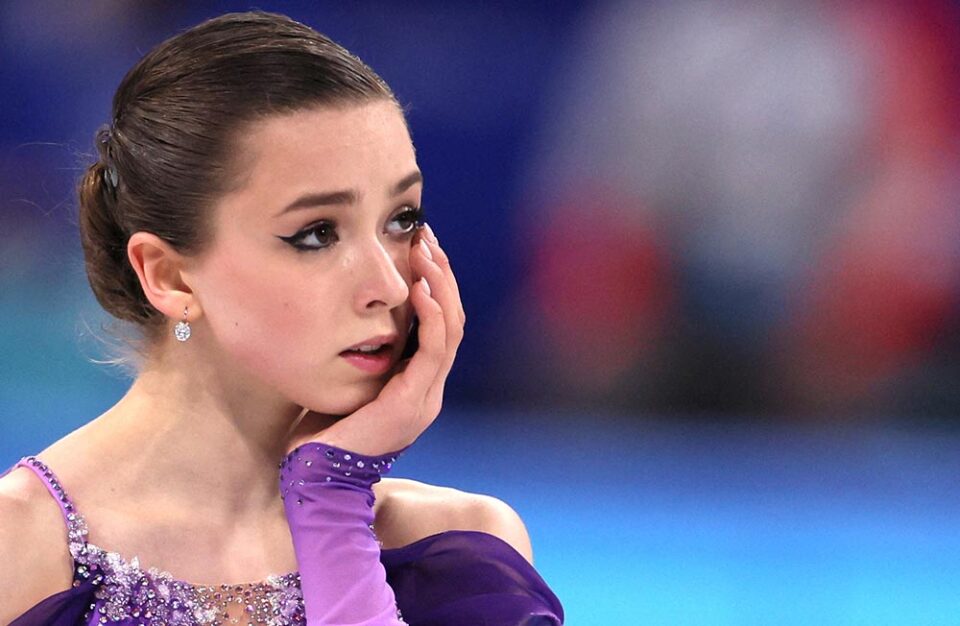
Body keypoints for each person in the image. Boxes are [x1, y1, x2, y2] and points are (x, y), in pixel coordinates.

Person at [0, 11, 564, 626]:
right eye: (317, 233)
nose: (388, 284)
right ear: (170, 276)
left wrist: (330, 503)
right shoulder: (19, 549)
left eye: (402, 219)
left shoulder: (458, 551)